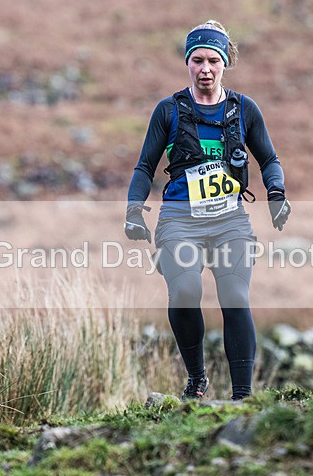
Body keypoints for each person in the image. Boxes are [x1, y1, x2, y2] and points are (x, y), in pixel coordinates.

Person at [124, 20, 291, 401]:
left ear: (224, 63)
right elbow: (144, 168)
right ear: (187, 63)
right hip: (180, 220)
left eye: (212, 61)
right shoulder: (168, 111)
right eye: (197, 60)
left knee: (234, 295)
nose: (205, 69)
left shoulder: (244, 110)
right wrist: (134, 211)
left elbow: (269, 159)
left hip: (229, 220)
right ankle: (197, 378)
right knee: (184, 291)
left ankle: (243, 397)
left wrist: (277, 193)